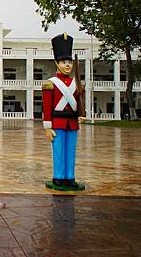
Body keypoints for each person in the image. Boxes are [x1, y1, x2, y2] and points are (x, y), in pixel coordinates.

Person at [42, 33, 85, 191]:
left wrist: (80, 114)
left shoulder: (76, 84)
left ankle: (70, 177)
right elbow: (46, 107)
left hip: (72, 123)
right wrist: (47, 126)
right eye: (64, 62)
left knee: (71, 151)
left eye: (69, 62)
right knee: (59, 151)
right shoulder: (50, 84)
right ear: (57, 63)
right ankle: (59, 177)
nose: (67, 65)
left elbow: (79, 104)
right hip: (58, 122)